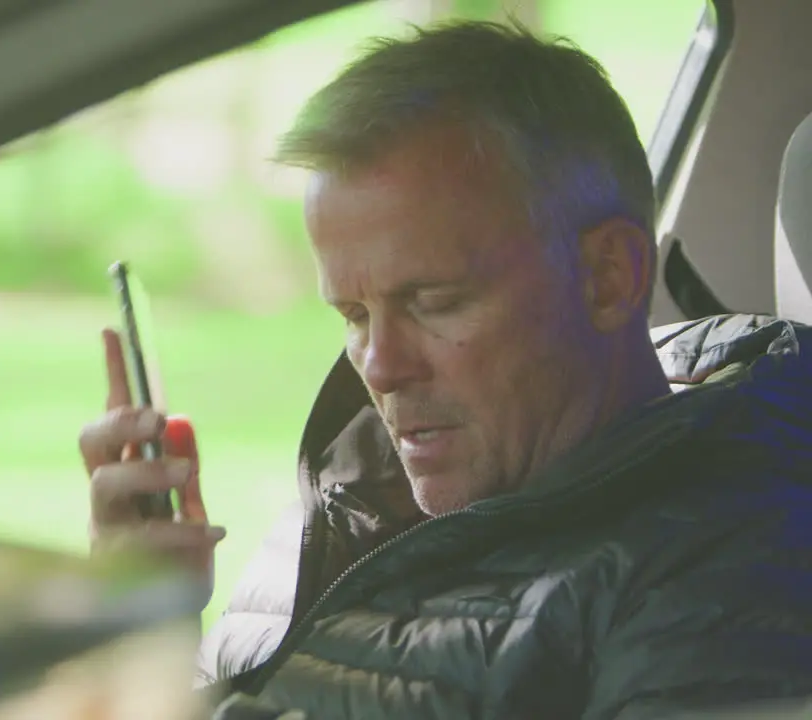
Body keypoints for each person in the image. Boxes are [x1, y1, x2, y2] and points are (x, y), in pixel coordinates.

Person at [78, 19, 812, 720]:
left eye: (433, 302)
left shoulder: (720, 587)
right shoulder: (370, 481)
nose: (380, 369)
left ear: (609, 277)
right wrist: (144, 634)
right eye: (354, 316)